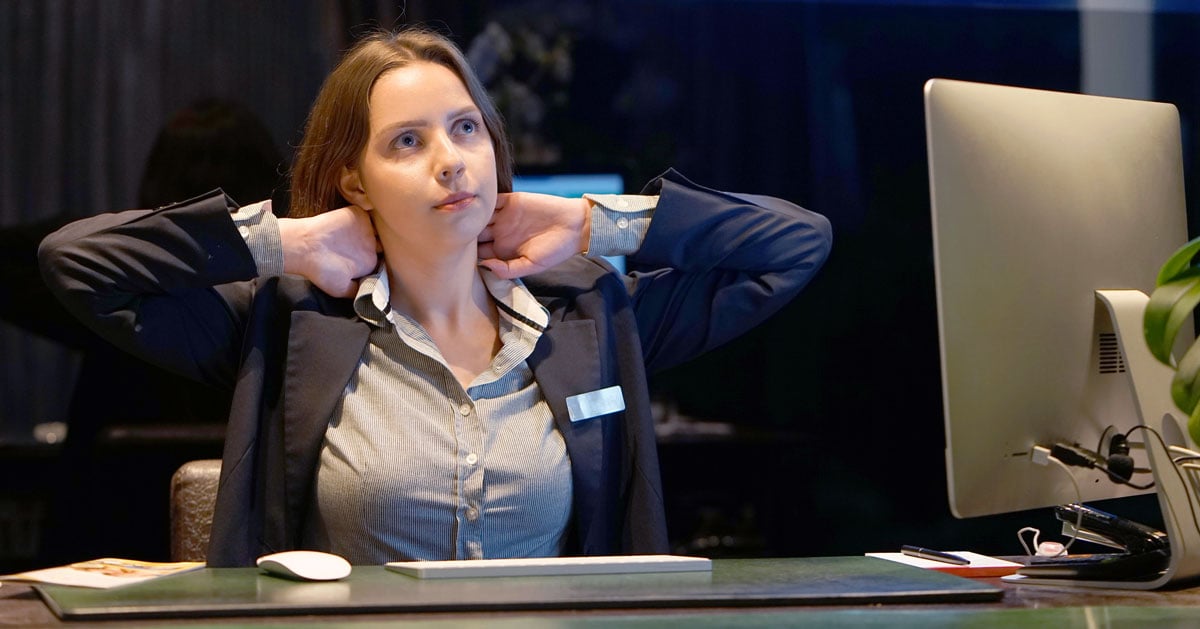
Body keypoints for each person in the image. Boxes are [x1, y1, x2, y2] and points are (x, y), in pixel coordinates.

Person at [39, 27, 832, 567]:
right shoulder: (288, 324)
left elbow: (794, 247)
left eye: (466, 128)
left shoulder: (592, 317)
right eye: (407, 142)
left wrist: (595, 222)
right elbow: (77, 265)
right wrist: (284, 242)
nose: (450, 160)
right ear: (355, 181)